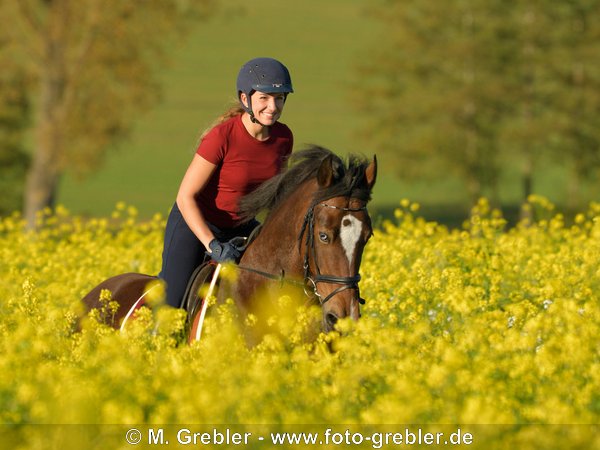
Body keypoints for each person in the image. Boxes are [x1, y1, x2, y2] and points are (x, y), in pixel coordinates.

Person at [159, 57, 294, 308]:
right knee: (173, 303)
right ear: (245, 99)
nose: (273, 106)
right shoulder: (221, 137)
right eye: (264, 98)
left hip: (241, 227)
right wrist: (212, 244)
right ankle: (157, 337)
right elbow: (185, 197)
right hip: (197, 223)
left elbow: (276, 196)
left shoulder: (284, 138)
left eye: (279, 98)